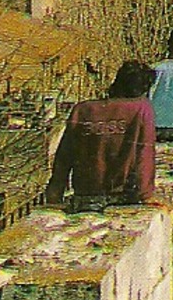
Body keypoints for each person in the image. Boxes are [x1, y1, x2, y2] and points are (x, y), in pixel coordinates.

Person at [46, 60, 158, 213]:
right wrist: (145, 194)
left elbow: (64, 156)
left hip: (85, 197)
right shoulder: (142, 109)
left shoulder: (82, 110)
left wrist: (55, 191)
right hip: (122, 198)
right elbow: (144, 154)